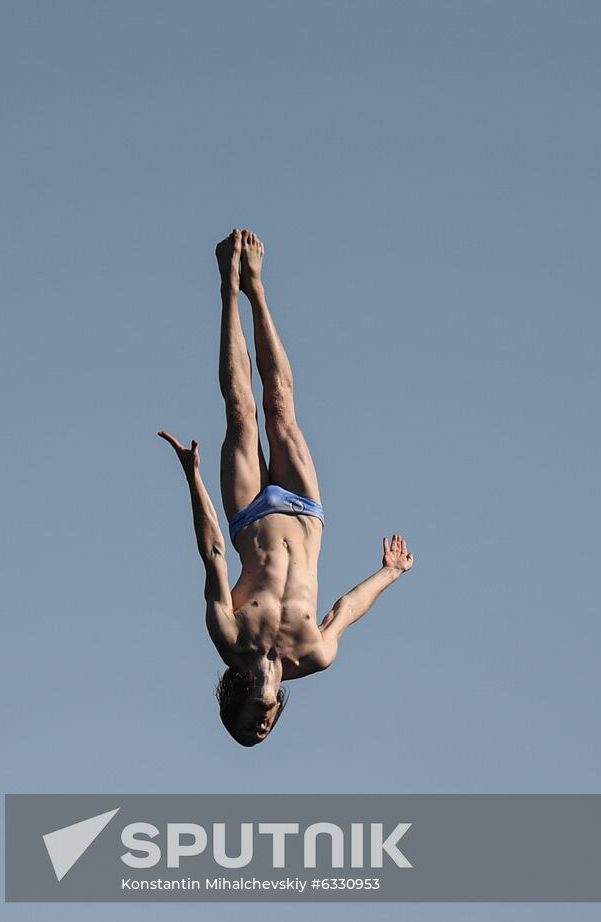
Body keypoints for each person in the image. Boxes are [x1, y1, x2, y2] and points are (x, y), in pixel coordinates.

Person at [159, 230, 413, 746]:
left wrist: (193, 479)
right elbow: (345, 609)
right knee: (281, 407)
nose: (260, 727)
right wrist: (388, 574)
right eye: (265, 731)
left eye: (247, 728)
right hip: (305, 510)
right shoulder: (315, 654)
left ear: (234, 707)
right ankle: (256, 282)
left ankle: (233, 285)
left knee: (242, 413)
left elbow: (212, 555)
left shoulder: (229, 639)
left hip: (249, 513)